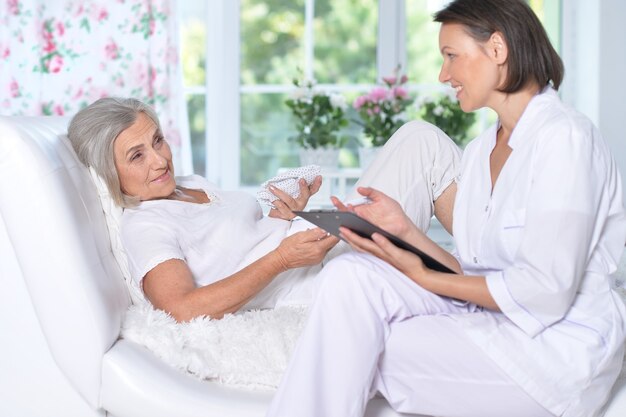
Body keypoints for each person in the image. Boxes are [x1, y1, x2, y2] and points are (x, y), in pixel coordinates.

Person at [266, 0, 626, 416]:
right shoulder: (479, 152)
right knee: (351, 276)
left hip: (554, 352)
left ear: (497, 48)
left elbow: (546, 291)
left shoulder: (564, 139)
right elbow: (471, 270)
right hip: (494, 322)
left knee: (360, 342)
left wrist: (425, 279)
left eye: (451, 56)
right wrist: (405, 232)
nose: (443, 75)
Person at [67, 97, 461, 322]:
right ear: (109, 173)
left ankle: (490, 262)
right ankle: (494, 267)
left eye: (157, 141)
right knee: (422, 143)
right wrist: (282, 259)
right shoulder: (144, 225)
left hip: (319, 248)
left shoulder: (189, 185)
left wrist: (284, 215)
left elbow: (236, 248)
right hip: (319, 281)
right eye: (137, 156)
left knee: (419, 138)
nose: (159, 160)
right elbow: (182, 308)